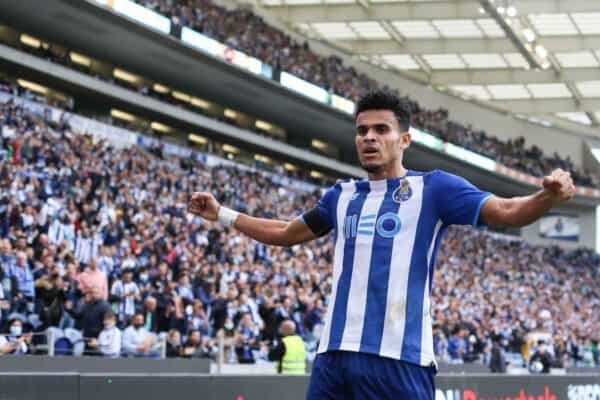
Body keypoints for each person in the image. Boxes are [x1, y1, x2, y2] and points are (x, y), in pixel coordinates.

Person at [189, 89, 576, 399]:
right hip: (334, 357)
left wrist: (546, 198)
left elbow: (507, 210)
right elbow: (287, 233)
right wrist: (222, 214)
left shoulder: (435, 188)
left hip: (399, 360)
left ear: (404, 139)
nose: (369, 138)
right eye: (362, 131)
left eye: (381, 130)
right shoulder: (340, 195)